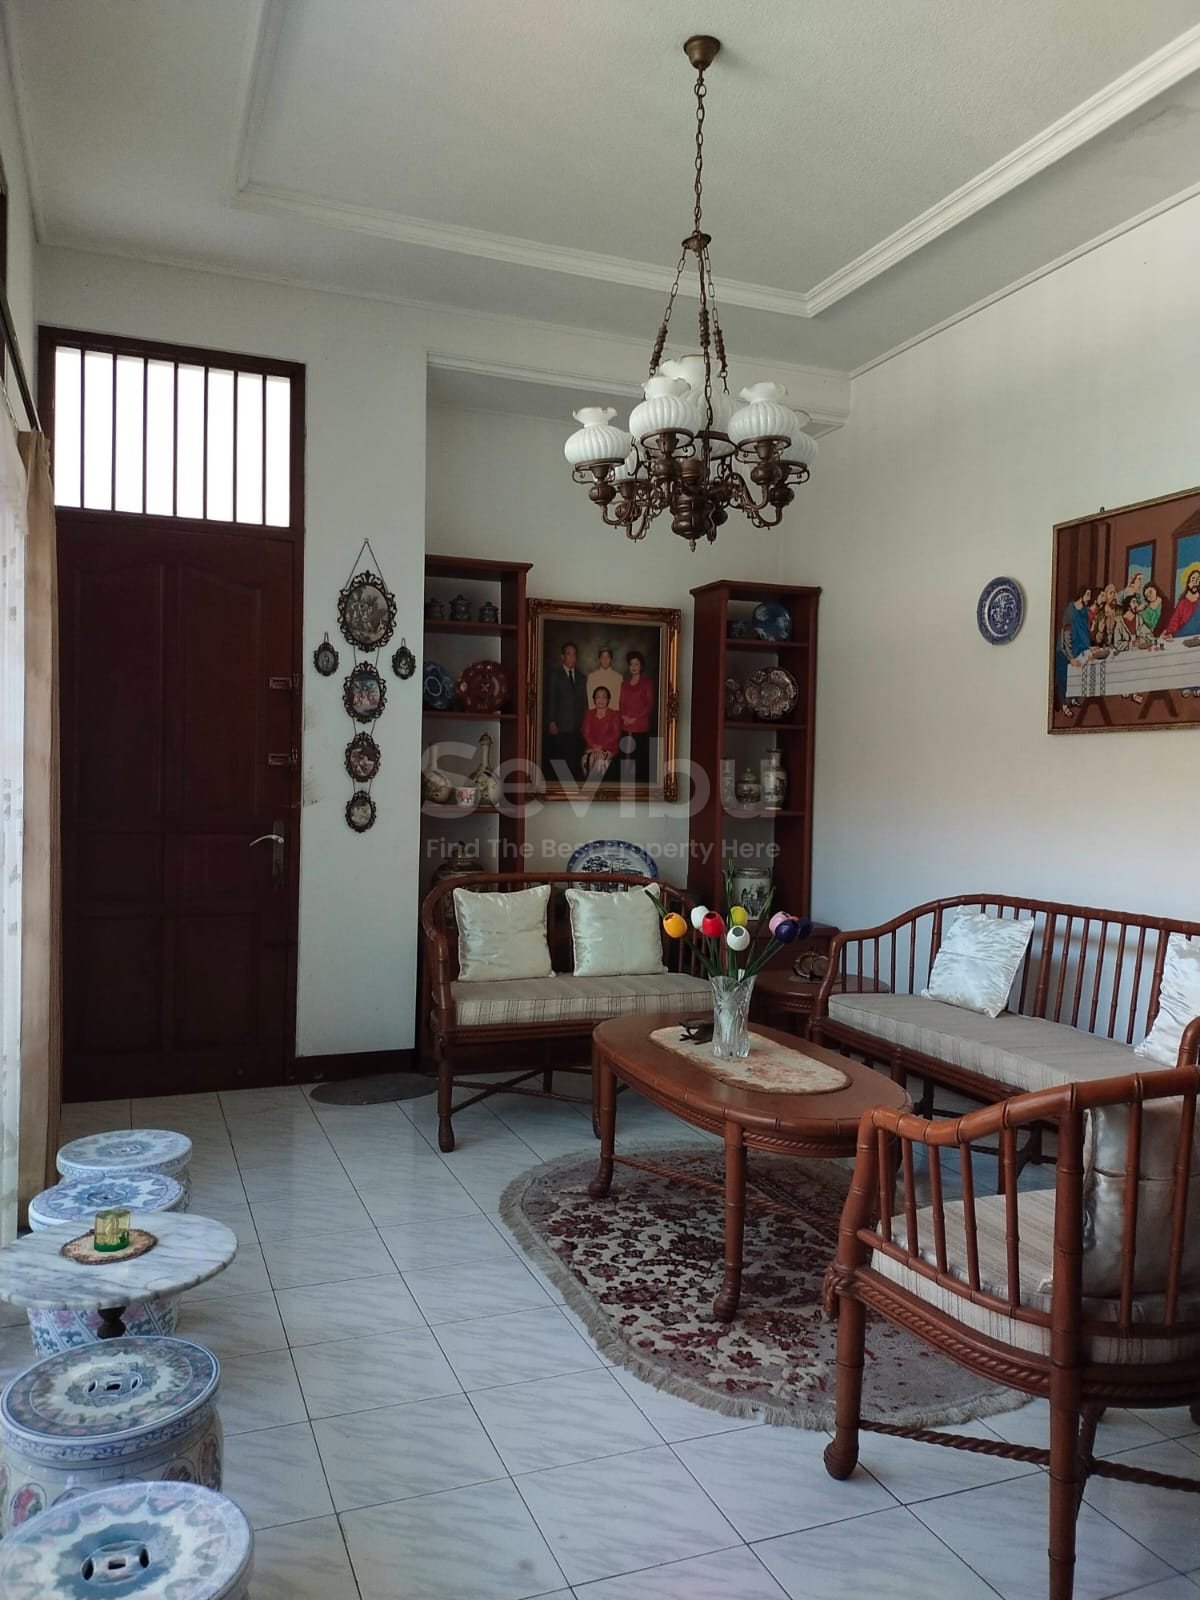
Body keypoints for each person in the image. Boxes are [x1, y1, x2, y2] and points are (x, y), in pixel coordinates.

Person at [544, 641, 588, 779]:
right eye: (569, 654)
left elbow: (584, 703)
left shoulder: (581, 677)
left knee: (573, 758)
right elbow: (551, 699)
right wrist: (551, 721)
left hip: (576, 726)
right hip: (560, 724)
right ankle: (560, 786)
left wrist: (584, 722)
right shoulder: (555, 675)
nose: (572, 657)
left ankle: (571, 786)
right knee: (559, 758)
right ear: (563, 657)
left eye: (574, 655)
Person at [1055, 582, 1093, 714]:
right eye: (1087, 594)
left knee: (1078, 675)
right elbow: (1066, 637)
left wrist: (1088, 648)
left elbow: (1084, 632)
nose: (1089, 597)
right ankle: (1064, 705)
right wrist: (1070, 658)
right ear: (1081, 595)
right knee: (1064, 678)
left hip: (1079, 649)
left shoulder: (1084, 611)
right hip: (1065, 650)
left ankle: (1073, 699)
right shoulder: (1070, 611)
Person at [618, 649, 655, 781]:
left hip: (640, 726)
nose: (633, 667)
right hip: (626, 725)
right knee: (626, 758)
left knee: (639, 758)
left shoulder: (647, 683)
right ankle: (626, 784)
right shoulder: (624, 684)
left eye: (636, 664)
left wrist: (635, 718)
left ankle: (639, 786)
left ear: (641, 666)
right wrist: (624, 717)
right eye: (631, 664)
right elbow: (621, 704)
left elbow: (649, 705)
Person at [581, 685, 621, 777]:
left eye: (604, 697)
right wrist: (594, 746)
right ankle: (588, 783)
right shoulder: (589, 713)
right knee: (587, 759)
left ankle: (597, 783)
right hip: (592, 746)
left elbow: (615, 735)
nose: (601, 700)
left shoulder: (614, 714)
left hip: (609, 747)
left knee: (600, 760)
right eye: (598, 697)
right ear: (594, 699)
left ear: (608, 699)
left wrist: (601, 747)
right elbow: (586, 733)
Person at [1163, 568, 1200, 639]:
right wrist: (1170, 632)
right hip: (1183, 636)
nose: (1195, 582)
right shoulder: (1182, 603)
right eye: (1193, 579)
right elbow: (1175, 620)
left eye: (1198, 579)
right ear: (1188, 583)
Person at [586, 647, 623, 715]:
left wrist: (616, 714)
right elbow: (590, 700)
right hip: (596, 715)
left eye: (607, 657)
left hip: (613, 714)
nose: (605, 660)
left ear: (611, 659)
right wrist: (594, 714)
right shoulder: (591, 677)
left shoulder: (618, 678)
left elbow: (619, 700)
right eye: (602, 657)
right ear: (599, 659)